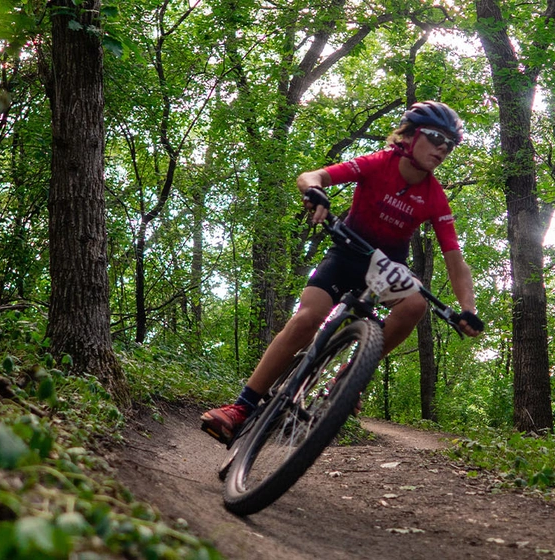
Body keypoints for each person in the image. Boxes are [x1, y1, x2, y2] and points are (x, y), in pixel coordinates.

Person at [201, 101, 485, 444]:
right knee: (308, 319)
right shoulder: (380, 162)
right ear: (409, 137)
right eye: (436, 137)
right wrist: (315, 191)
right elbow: (312, 176)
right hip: (346, 251)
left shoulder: (435, 198)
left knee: (415, 305)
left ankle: (351, 377)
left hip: (385, 267)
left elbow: (455, 259)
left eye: (450, 144)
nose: (443, 148)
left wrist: (467, 307)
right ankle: (241, 407)